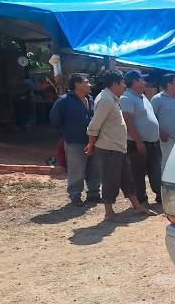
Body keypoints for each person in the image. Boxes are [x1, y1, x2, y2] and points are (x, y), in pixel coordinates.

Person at [85, 70, 153, 221]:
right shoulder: (106, 100)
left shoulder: (113, 98)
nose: (124, 86)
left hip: (118, 147)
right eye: (122, 83)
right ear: (115, 84)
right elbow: (93, 125)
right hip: (108, 147)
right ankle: (109, 212)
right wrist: (91, 144)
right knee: (110, 179)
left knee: (127, 178)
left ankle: (137, 206)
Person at [49, 73, 100, 206]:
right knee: (76, 169)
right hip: (75, 141)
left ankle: (94, 194)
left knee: (94, 168)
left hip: (92, 141)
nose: (89, 85)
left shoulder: (90, 98)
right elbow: (55, 119)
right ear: (77, 84)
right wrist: (68, 131)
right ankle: (75, 195)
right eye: (86, 82)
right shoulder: (64, 100)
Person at [120, 69, 162, 205]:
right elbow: (128, 121)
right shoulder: (126, 98)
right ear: (134, 82)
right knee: (138, 173)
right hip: (138, 143)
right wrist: (138, 142)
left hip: (152, 142)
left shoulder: (142, 97)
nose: (144, 82)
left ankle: (160, 195)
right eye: (141, 79)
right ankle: (141, 200)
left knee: (155, 169)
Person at [151, 73, 175, 170]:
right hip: (167, 140)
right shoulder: (157, 99)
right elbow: (151, 118)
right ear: (169, 85)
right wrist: (160, 132)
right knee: (167, 163)